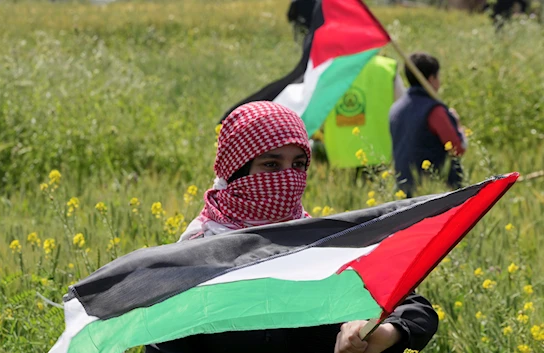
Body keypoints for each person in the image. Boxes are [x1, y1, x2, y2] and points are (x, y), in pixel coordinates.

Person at [148, 101, 438, 353]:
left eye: (298, 165)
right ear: (236, 171)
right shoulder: (196, 258)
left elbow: (414, 308)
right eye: (271, 166)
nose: (288, 179)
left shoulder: (320, 243)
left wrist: (381, 331)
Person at [389, 52, 466, 198]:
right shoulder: (435, 112)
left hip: (404, 193)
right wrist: (457, 124)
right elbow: (458, 148)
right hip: (435, 195)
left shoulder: (395, 109)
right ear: (431, 79)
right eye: (438, 76)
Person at [321, 55, 406, 170]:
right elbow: (404, 109)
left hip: (340, 160)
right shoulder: (386, 68)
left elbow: (317, 118)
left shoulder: (328, 71)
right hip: (381, 155)